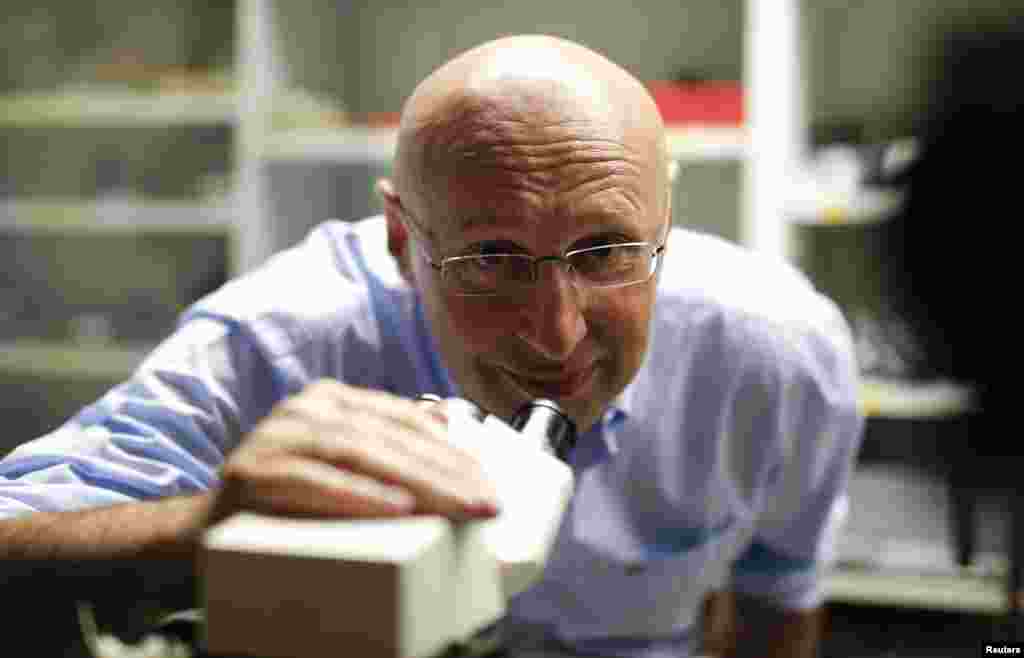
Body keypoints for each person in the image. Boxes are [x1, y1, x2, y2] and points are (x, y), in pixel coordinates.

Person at [0, 35, 863, 657]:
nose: (556, 333)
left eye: (605, 252)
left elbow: (776, 610)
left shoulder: (776, 357)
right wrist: (199, 533)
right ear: (401, 242)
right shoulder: (282, 340)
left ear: (666, 222)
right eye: (491, 259)